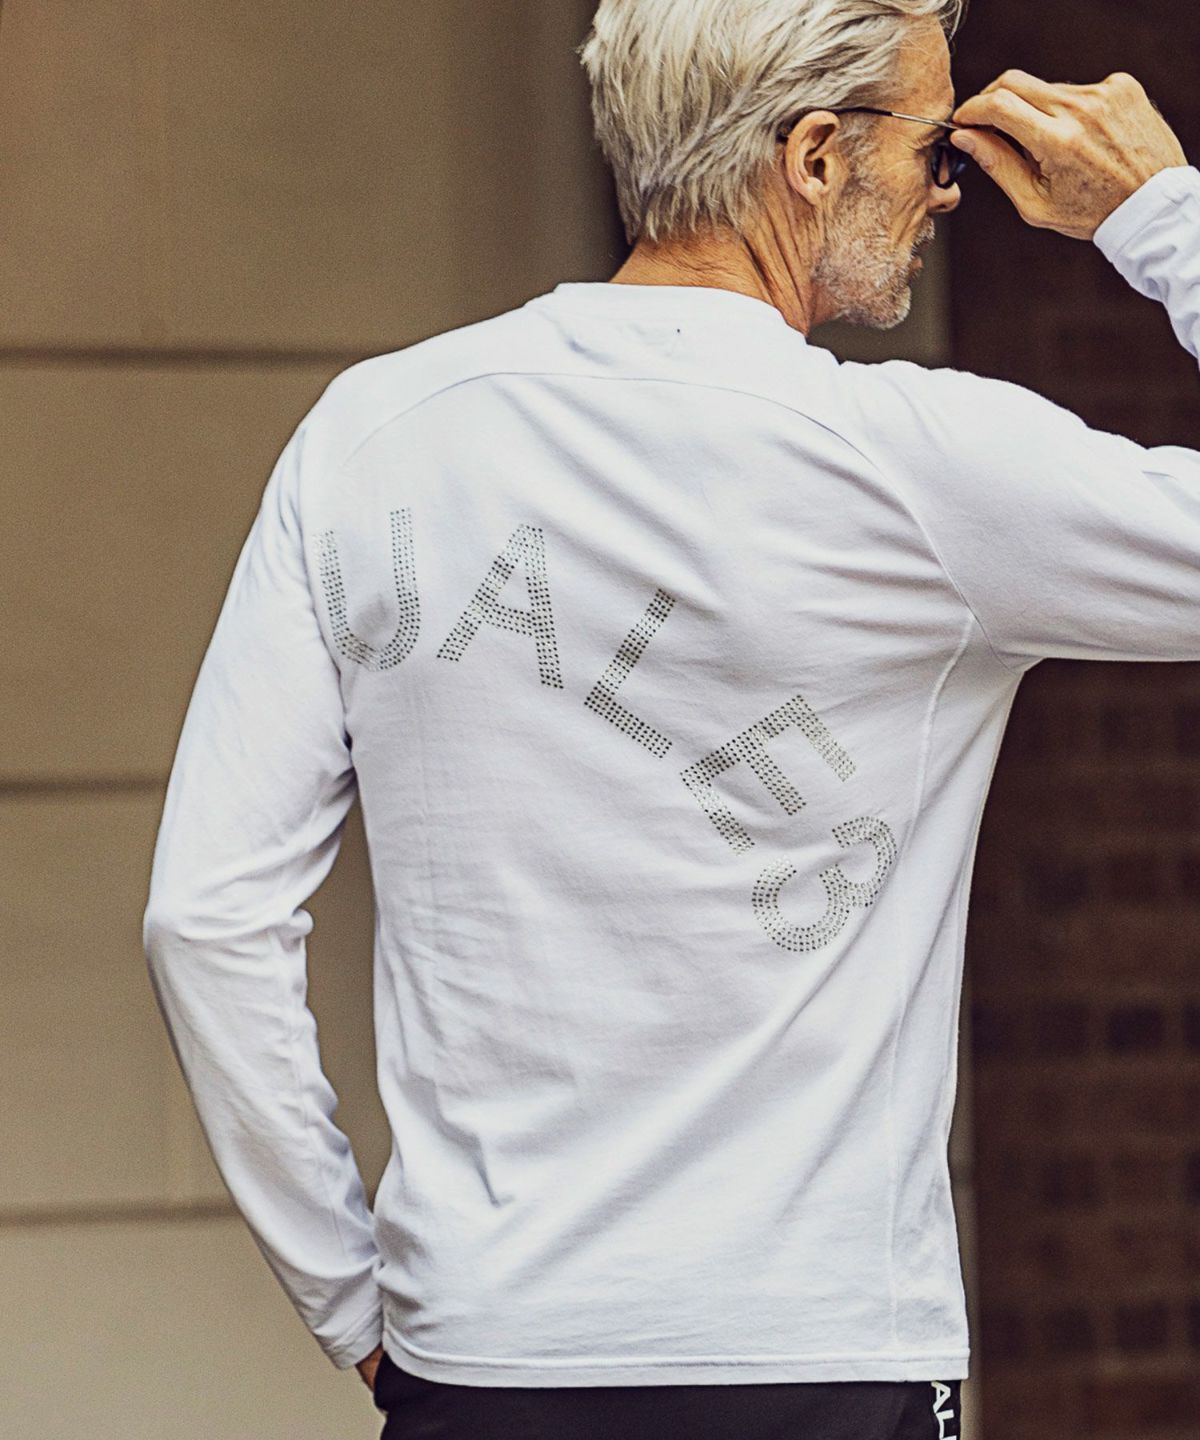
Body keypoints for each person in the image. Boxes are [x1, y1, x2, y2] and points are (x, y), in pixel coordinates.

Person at [141, 0, 1196, 1435]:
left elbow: (205, 920)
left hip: (485, 1360)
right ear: (814, 157)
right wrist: (1160, 215)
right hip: (814, 1360)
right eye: (938, 148)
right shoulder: (922, 468)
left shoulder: (371, 436)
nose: (949, 193)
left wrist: (350, 1304)